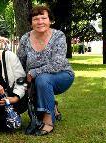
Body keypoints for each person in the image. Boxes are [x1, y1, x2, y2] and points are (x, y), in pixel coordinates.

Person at [17, 5, 74, 135]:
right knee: (41, 86)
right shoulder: (25, 38)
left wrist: (34, 72)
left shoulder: (58, 36)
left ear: (50, 20)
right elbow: (20, 62)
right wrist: (23, 80)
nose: (40, 21)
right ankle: (52, 105)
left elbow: (57, 64)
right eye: (36, 19)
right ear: (31, 22)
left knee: (43, 79)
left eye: (44, 18)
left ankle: (48, 122)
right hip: (36, 81)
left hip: (62, 75)